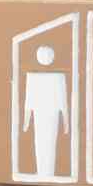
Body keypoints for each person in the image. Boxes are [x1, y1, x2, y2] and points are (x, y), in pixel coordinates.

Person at [23, 45, 69, 178]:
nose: (46, 58)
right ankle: (42, 171)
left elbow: (63, 102)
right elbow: (29, 101)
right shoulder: (33, 77)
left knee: (49, 141)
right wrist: (26, 121)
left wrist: (66, 121)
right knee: (40, 141)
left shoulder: (58, 77)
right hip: (39, 113)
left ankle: (48, 171)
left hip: (52, 114)